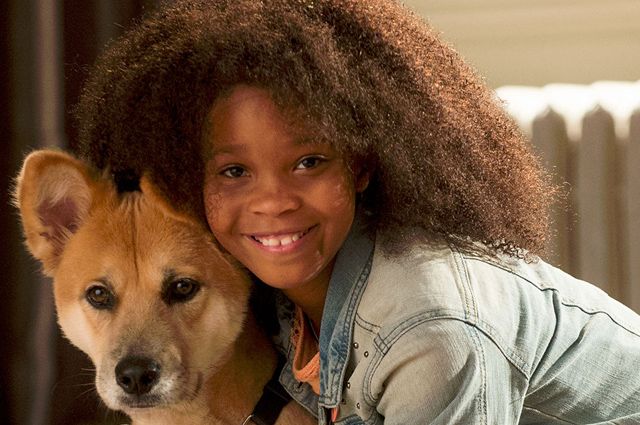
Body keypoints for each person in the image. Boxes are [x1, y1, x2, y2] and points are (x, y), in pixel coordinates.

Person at [73, 0, 640, 423]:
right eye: (234, 172)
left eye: (309, 162)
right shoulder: (262, 293)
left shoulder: (431, 332)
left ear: (361, 166)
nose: (273, 201)